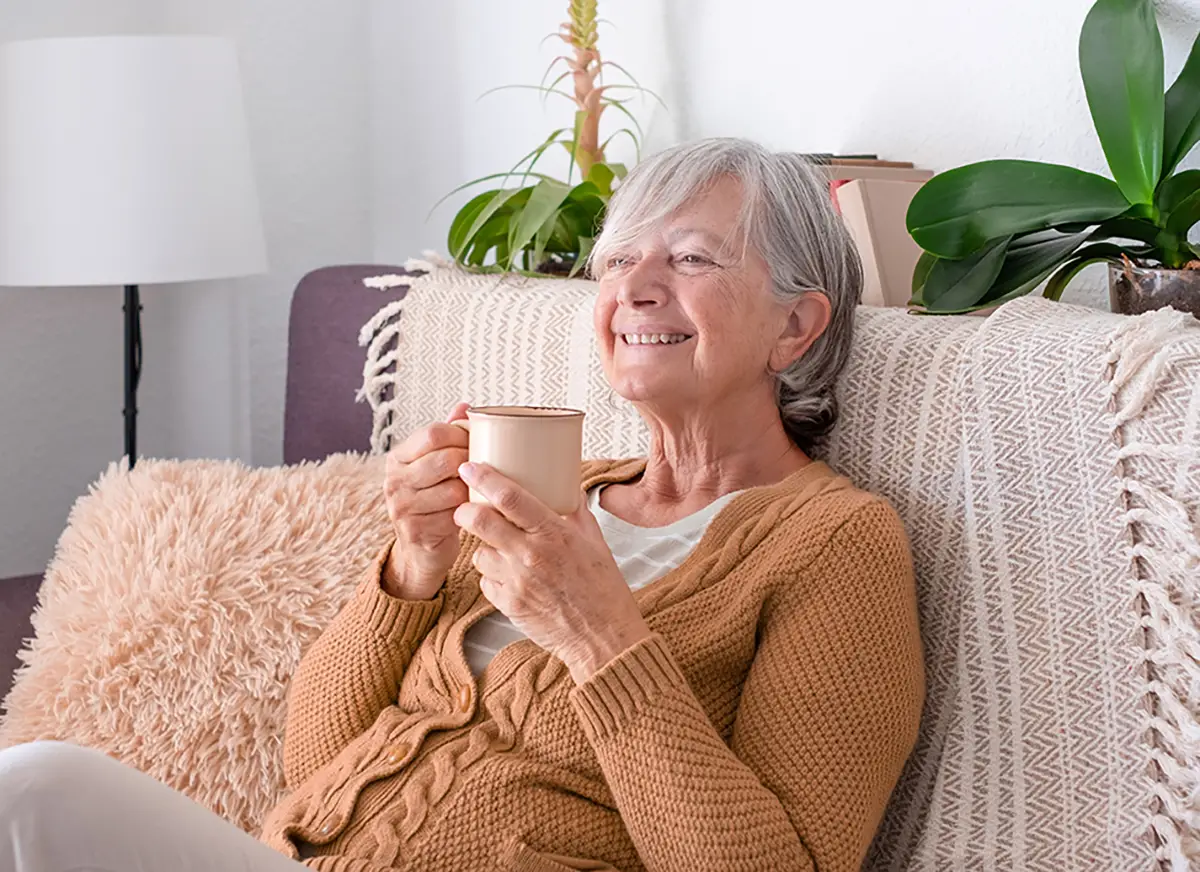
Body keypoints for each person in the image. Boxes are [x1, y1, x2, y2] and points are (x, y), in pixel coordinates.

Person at [0, 137, 924, 872]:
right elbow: (315, 767)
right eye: (618, 259)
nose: (636, 288)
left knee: (37, 792)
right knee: (32, 791)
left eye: (690, 257)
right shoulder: (558, 490)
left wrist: (600, 637)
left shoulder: (833, 543)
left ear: (795, 325)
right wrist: (414, 565)